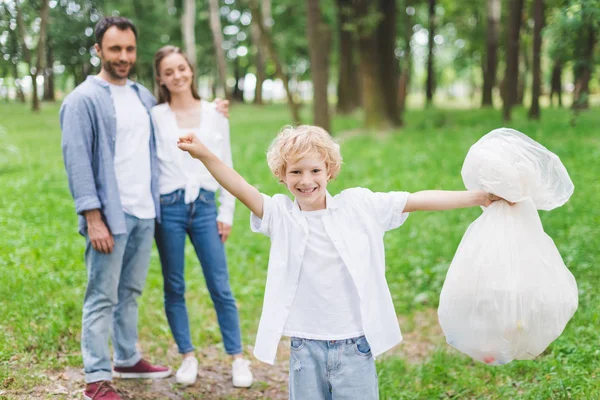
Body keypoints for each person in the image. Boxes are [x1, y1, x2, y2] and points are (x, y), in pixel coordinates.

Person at [176, 125, 507, 399]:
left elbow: (416, 200)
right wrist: (204, 153)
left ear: (330, 171)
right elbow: (239, 187)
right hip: (306, 346)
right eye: (296, 172)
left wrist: (479, 197)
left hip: (355, 345)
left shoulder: (359, 206)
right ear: (282, 175)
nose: (306, 180)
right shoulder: (280, 215)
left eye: (315, 170)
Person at [60, 17, 228, 400]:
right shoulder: (82, 100)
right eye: (115, 48)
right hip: (109, 215)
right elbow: (77, 162)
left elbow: (177, 117)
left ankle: (127, 357)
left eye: (129, 49)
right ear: (98, 50)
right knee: (102, 294)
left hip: (145, 212)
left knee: (131, 290)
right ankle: (96, 378)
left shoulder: (141, 96)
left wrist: (214, 110)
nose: (123, 56)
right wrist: (92, 216)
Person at [150, 45, 253, 387]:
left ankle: (237, 358)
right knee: (174, 285)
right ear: (161, 80)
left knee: (219, 284)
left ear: (190, 70)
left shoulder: (215, 114)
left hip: (206, 206)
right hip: (169, 208)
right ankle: (187, 356)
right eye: (169, 72)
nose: (177, 76)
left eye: (181, 68)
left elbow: (225, 162)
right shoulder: (156, 115)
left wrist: (227, 211)